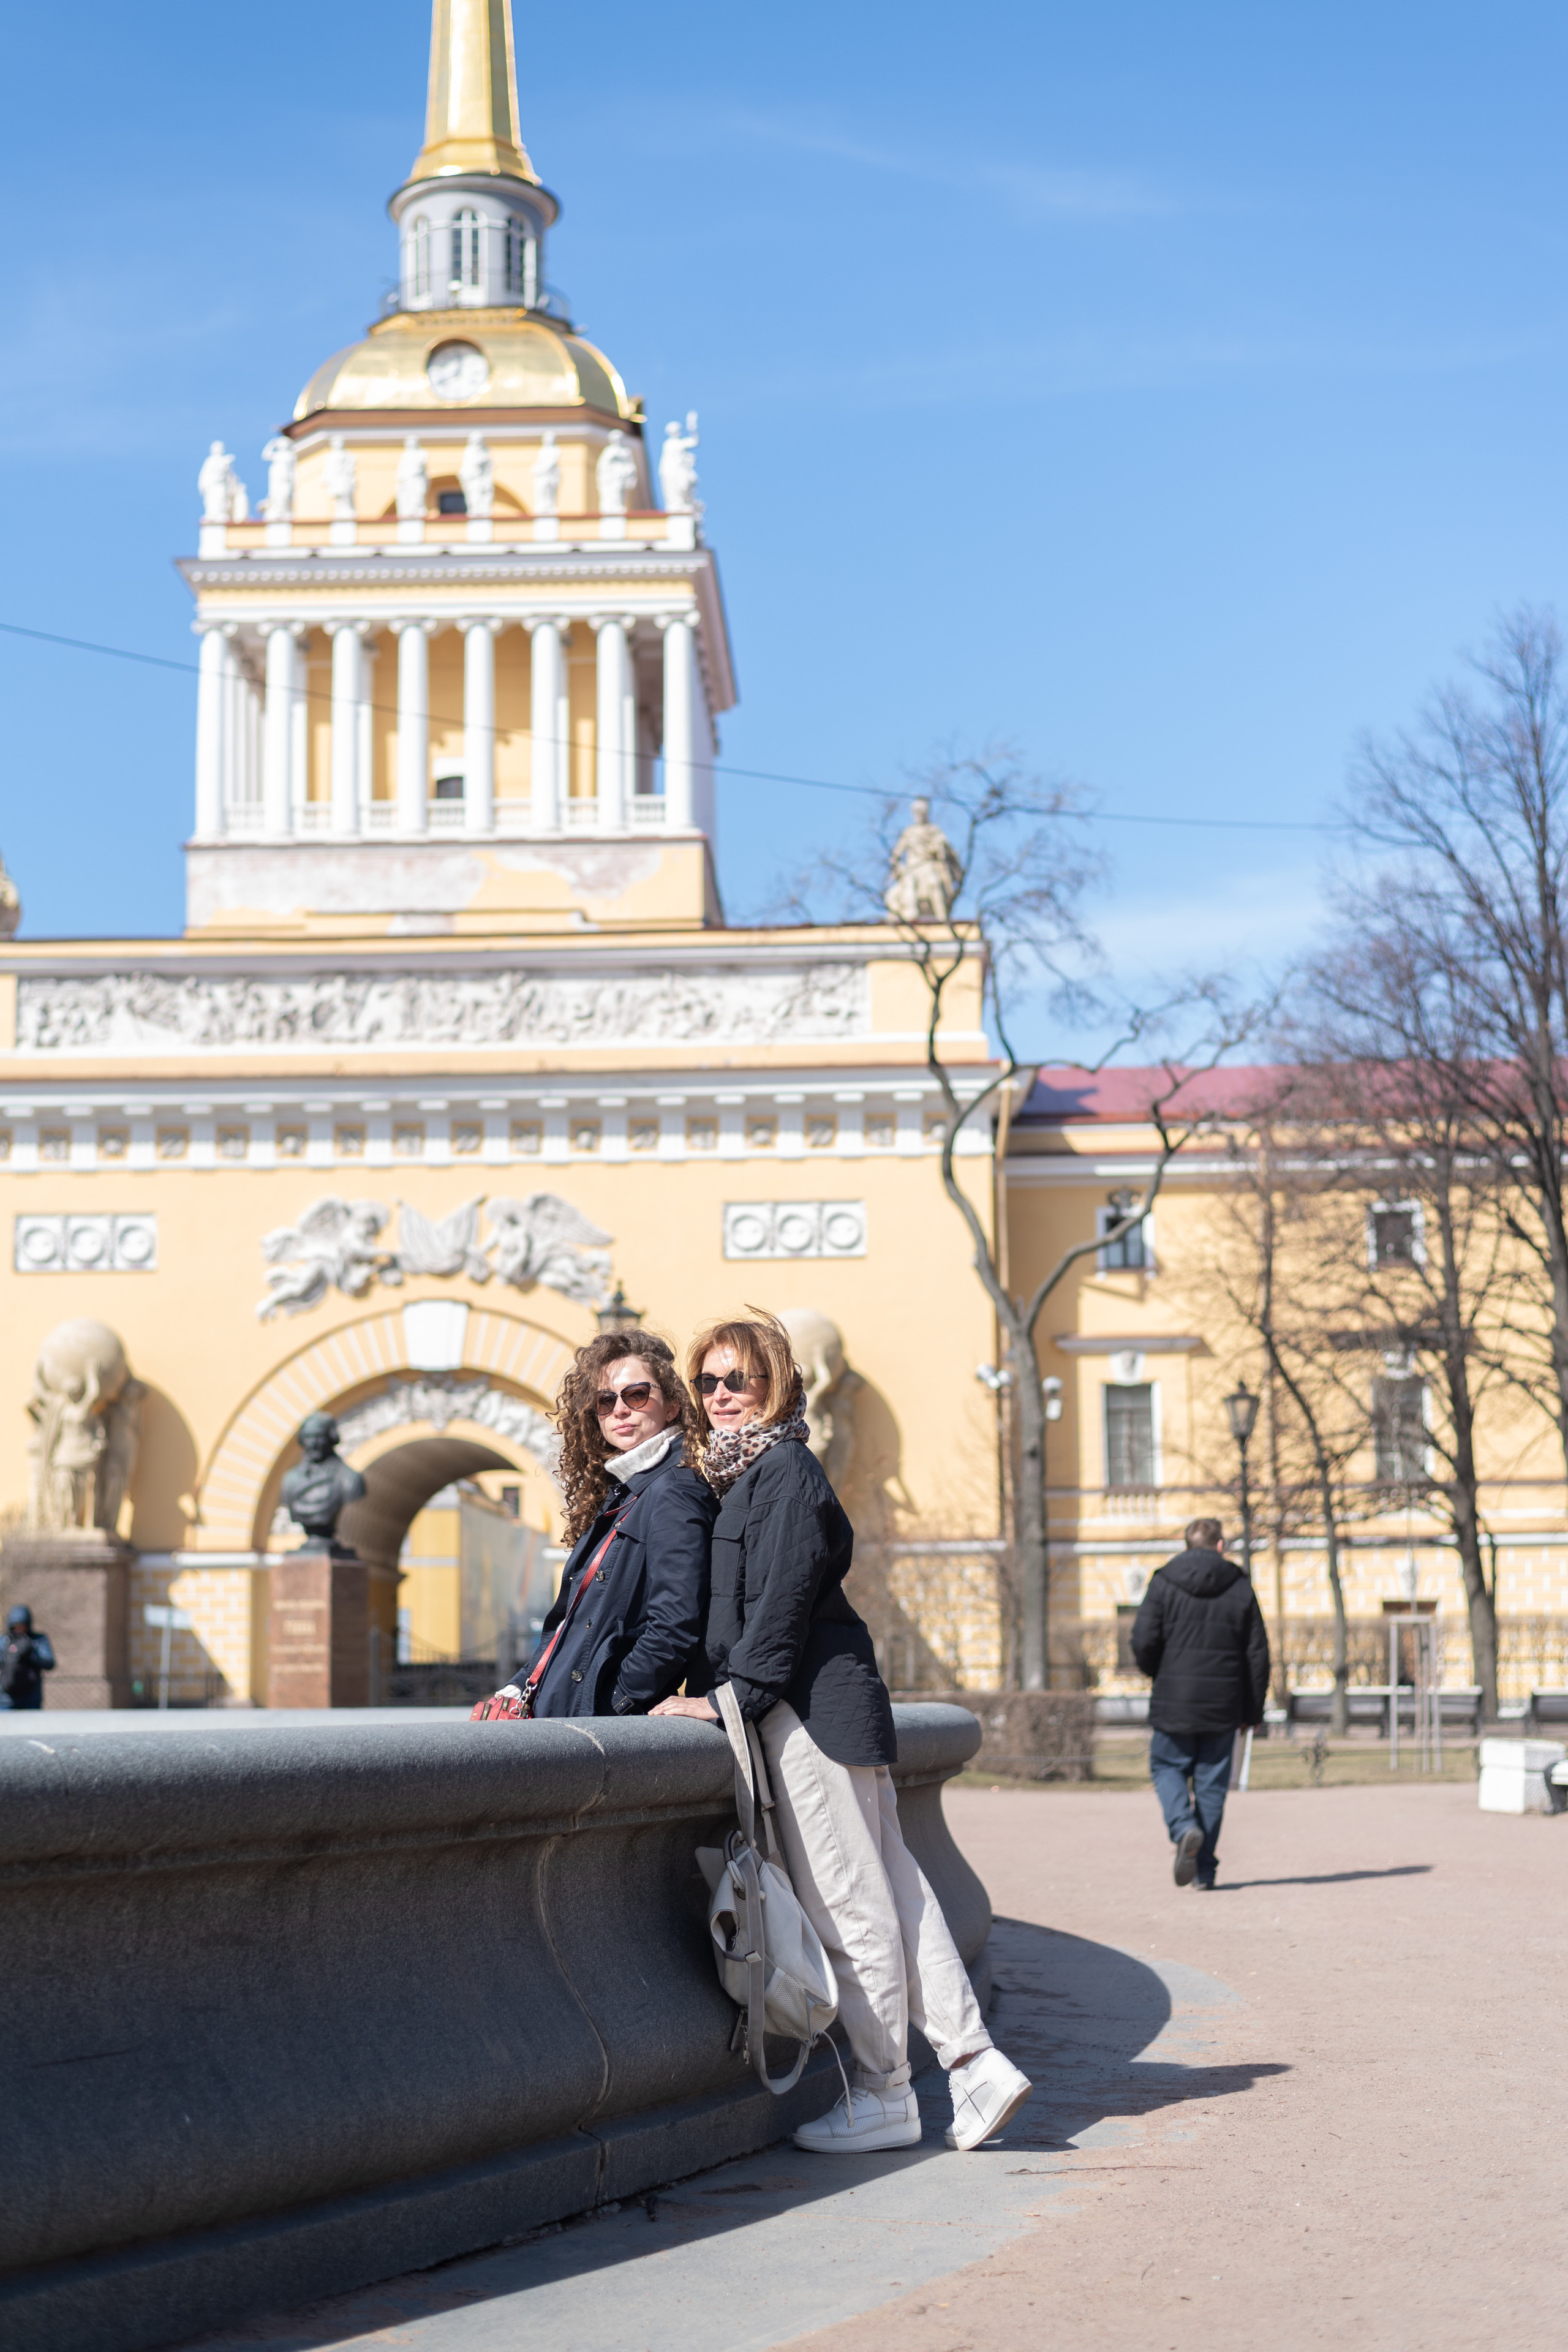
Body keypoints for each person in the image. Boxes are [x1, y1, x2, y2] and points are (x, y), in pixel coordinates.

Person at [652, 1311, 1033, 2155]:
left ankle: (885, 2090)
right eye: (707, 1382)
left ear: (778, 1384)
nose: (720, 1396)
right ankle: (973, 2063)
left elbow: (782, 1607)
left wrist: (725, 1701)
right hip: (830, 1707)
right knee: (901, 1895)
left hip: (808, 1714)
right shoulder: (756, 1474)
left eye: (738, 1380)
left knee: (849, 1906)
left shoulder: (784, 1470)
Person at [497, 1330, 715, 1718]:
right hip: (564, 1710)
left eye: (636, 1395)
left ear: (673, 1407)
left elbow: (675, 1627)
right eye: (605, 1400)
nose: (620, 1410)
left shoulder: (675, 1490)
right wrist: (518, 1685)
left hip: (597, 1721)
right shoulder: (624, 1492)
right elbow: (570, 1623)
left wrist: (612, 1702)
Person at [1131, 1516, 1271, 1890]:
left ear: (1186, 1545)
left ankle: (1183, 1827)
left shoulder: (1163, 1581)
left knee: (1166, 1767)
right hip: (1224, 1705)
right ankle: (1205, 1872)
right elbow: (1257, 1652)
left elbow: (1143, 1639)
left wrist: (1157, 1674)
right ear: (1221, 1546)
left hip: (1174, 1700)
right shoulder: (1240, 1585)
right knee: (1211, 1786)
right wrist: (1253, 1711)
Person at [0, 1605, 56, 1711]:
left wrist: (30, 1655)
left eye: (22, 1626)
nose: (20, 1629)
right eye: (16, 1626)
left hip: (31, 1699)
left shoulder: (38, 1641)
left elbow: (50, 1663)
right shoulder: (4, 1641)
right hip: (5, 1699)